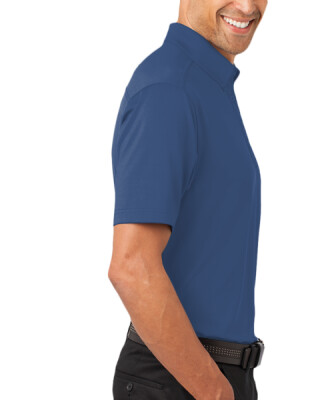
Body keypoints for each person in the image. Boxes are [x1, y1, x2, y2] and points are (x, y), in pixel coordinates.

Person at [109, 0, 268, 398]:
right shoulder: (170, 89)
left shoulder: (205, 83)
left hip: (204, 375)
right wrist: (215, 392)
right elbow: (131, 267)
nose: (247, 6)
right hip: (181, 380)